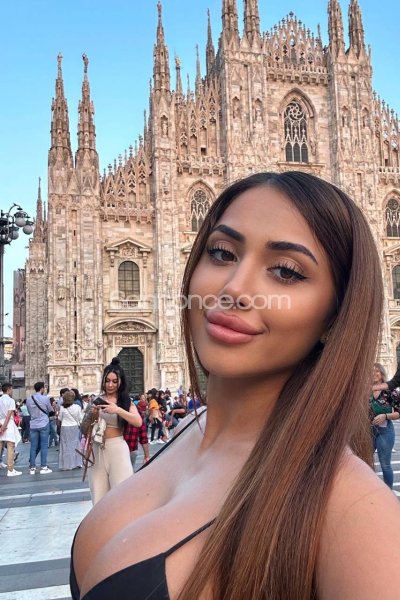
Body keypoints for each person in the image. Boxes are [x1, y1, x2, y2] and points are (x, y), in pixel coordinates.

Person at [71, 171, 400, 600]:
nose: (234, 289)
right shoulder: (189, 431)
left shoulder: (353, 512)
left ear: (337, 315)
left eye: (286, 271)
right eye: (222, 253)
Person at [84, 357, 142, 505]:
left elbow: (138, 421)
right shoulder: (96, 400)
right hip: (97, 450)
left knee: (122, 494)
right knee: (98, 496)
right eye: (107, 380)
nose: (110, 385)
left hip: (117, 448)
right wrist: (91, 414)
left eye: (114, 381)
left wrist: (117, 410)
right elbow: (84, 429)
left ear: (120, 382)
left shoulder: (125, 402)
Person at [370, 363, 400, 488]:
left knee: (385, 465)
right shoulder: (365, 390)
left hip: (385, 431)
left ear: (382, 374)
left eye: (377, 371)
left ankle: (388, 491)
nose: (374, 373)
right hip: (367, 432)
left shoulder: (391, 391)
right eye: (372, 371)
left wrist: (385, 416)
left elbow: (398, 412)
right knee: (365, 462)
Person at [27, 381, 53, 475]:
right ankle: (43, 466)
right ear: (42, 388)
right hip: (43, 423)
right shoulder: (45, 398)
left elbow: (29, 411)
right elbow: (50, 410)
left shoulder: (29, 399)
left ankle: (32, 467)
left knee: (33, 446)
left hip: (33, 424)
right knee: (44, 445)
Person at [0, 383, 22, 476]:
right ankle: (10, 469)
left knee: (0, 445)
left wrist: (1, 426)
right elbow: (9, 415)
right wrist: (4, 426)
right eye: (12, 389)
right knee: (10, 446)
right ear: (8, 389)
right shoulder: (11, 400)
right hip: (8, 424)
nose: (12, 390)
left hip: (0, 422)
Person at [58, 390, 83, 470]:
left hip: (65, 427)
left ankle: (67, 465)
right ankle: (77, 463)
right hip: (74, 427)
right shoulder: (77, 407)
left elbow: (60, 418)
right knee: (76, 444)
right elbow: (80, 418)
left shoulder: (62, 408)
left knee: (65, 445)